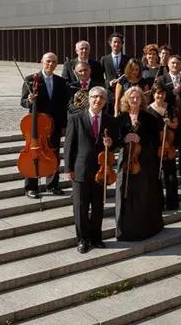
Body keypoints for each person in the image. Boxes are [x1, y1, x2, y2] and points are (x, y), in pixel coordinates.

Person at [63, 86, 117, 253]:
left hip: (100, 170)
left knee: (98, 206)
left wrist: (111, 143)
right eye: (95, 97)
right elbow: (69, 145)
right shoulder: (76, 118)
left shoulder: (109, 120)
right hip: (81, 169)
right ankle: (83, 239)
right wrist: (68, 168)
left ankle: (96, 237)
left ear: (105, 102)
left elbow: (114, 144)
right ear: (89, 99)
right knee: (80, 207)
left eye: (101, 98)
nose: (98, 100)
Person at [114, 86, 164, 241]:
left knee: (143, 193)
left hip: (144, 160)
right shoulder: (121, 118)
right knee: (124, 192)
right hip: (126, 161)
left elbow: (156, 140)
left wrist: (140, 139)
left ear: (142, 99)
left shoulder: (149, 118)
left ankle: (144, 229)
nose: (135, 100)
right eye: (132, 97)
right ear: (126, 100)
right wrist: (124, 140)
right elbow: (116, 141)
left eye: (137, 97)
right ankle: (125, 230)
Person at [20, 52, 69, 199]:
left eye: (54, 62)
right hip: (37, 125)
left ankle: (52, 185)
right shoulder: (30, 80)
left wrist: (64, 125)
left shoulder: (61, 82)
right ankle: (31, 187)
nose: (51, 64)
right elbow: (23, 101)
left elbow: (63, 105)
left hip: (54, 125)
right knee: (33, 154)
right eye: (48, 61)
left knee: (54, 154)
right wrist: (29, 100)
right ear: (42, 61)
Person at [147, 85, 180, 210]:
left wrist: (169, 123)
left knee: (171, 175)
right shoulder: (148, 109)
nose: (160, 96)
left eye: (163, 94)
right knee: (157, 175)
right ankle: (159, 203)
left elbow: (175, 125)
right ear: (153, 94)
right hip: (155, 146)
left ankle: (172, 202)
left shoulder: (170, 108)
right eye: (158, 93)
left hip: (168, 145)